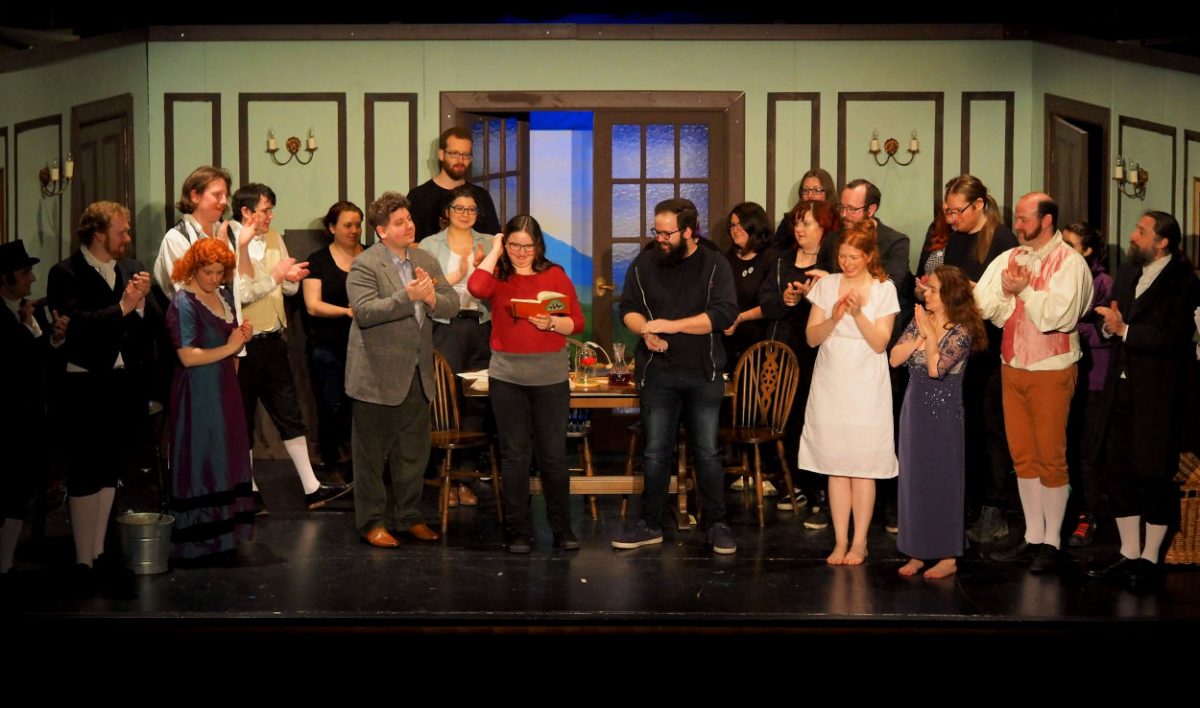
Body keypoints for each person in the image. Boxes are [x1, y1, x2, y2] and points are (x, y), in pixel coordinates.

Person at [974, 193, 1093, 573]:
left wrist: (1022, 291)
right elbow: (985, 304)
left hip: (1052, 368)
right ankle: (1033, 536)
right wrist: (1009, 293)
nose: (1019, 225)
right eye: (1019, 218)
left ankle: (1053, 542)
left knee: (1050, 457)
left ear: (1047, 220)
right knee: (1023, 456)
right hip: (1013, 365)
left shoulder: (1070, 263)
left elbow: (1059, 315)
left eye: (1025, 219)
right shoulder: (1013, 258)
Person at [613, 198, 739, 554]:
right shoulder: (645, 263)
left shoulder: (714, 265)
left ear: (689, 231)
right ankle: (650, 524)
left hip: (703, 373)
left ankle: (716, 524)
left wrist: (673, 325)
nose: (660, 239)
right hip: (658, 374)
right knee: (654, 453)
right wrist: (645, 332)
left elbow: (724, 314)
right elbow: (630, 309)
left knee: (707, 453)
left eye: (667, 233)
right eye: (657, 231)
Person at [1087, 211, 1200, 590]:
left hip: (1157, 396)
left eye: (1141, 231)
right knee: (1116, 471)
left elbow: (1174, 338)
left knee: (1152, 475)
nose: (1133, 236)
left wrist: (1126, 330)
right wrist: (1109, 325)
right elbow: (1112, 321)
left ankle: (1151, 558)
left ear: (1162, 241)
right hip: (1120, 390)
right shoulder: (1128, 272)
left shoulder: (1184, 282)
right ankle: (1129, 552)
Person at [47, 201, 156, 586]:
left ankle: (99, 552)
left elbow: (150, 324)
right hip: (84, 383)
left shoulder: (130, 267)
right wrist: (124, 306)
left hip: (120, 382)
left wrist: (141, 306)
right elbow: (75, 326)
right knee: (84, 469)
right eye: (121, 231)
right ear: (98, 233)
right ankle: (82, 560)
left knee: (110, 468)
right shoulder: (66, 273)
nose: (127, 238)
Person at [468, 215, 585, 553]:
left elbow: (576, 322)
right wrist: (493, 250)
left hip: (549, 377)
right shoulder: (498, 277)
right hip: (508, 377)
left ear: (538, 246)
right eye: (514, 245)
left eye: (527, 245)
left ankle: (562, 529)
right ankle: (519, 531)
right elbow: (476, 287)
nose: (520, 252)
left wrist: (552, 323)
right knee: (515, 457)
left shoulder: (555, 275)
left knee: (553, 456)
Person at [346, 192, 457, 547]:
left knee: (414, 453)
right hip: (376, 375)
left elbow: (452, 304)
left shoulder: (425, 257)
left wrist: (430, 298)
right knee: (371, 457)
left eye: (409, 219)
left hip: (417, 372)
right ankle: (372, 522)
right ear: (381, 231)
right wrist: (406, 297)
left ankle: (409, 517)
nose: (409, 225)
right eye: (399, 222)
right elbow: (364, 313)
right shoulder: (365, 264)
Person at [916, 175, 1019, 545]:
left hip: (989, 346)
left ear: (978, 206)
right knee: (969, 425)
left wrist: (970, 290)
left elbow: (1001, 299)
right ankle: (971, 502)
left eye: (956, 211)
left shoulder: (1003, 240)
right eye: (947, 211)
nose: (951, 218)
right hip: (959, 345)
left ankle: (996, 508)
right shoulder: (956, 239)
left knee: (992, 427)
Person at [798, 221, 899, 565]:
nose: (847, 263)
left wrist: (857, 315)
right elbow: (812, 338)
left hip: (867, 381)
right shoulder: (827, 285)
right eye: (842, 256)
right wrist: (835, 316)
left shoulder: (884, 288)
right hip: (832, 378)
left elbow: (880, 343)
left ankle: (860, 542)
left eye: (854, 257)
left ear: (869, 256)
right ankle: (840, 541)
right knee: (835, 463)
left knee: (863, 464)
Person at [890, 265, 986, 579]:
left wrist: (928, 337)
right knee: (914, 480)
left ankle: (947, 554)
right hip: (914, 410)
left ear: (949, 295)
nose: (926, 293)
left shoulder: (962, 330)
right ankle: (917, 549)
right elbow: (895, 357)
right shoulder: (920, 323)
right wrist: (922, 337)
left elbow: (936, 368)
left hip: (944, 414)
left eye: (932, 290)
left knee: (943, 481)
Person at [166, 238, 255, 559]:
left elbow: (227, 342)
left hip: (224, 386)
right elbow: (188, 356)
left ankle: (224, 533)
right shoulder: (184, 304)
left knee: (225, 453)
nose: (215, 278)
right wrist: (231, 347)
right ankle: (199, 538)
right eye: (208, 271)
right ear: (193, 267)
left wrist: (239, 340)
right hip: (198, 390)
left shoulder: (222, 295)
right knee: (204, 454)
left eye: (220, 272)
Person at [759, 199, 837, 521]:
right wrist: (787, 298)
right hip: (785, 348)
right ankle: (792, 482)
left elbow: (841, 308)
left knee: (816, 419)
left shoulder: (832, 263)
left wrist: (815, 294)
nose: (799, 229)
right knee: (787, 417)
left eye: (807, 223)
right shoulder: (781, 261)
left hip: (819, 352)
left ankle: (819, 488)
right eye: (797, 223)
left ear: (823, 228)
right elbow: (765, 300)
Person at [419, 185, 493, 507]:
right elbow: (424, 289)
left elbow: (499, 286)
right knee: (443, 402)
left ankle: (466, 479)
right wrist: (458, 274)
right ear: (447, 211)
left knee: (476, 400)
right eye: (459, 208)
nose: (465, 214)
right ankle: (444, 481)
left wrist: (484, 267)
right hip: (444, 328)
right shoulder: (428, 245)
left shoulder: (488, 243)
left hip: (480, 326)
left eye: (471, 209)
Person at [0, 241, 67, 575]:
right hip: (10, 419)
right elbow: (21, 359)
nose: (32, 278)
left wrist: (47, 335)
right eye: (25, 272)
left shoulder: (22, 311)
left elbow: (39, 358)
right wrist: (36, 332)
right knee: (10, 494)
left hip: (26, 418)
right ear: (5, 278)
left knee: (18, 493)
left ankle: (6, 561)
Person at [302, 201, 364, 482]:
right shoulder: (318, 260)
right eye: (347, 225)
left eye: (358, 224)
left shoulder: (371, 256)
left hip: (366, 346)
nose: (354, 230)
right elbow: (313, 305)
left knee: (361, 406)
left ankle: (359, 462)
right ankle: (332, 462)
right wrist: (348, 311)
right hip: (329, 345)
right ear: (332, 228)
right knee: (333, 404)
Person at [1061, 222, 1112, 547]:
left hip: (1094, 377)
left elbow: (1103, 332)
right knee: (1065, 449)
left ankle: (1090, 516)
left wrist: (1069, 324)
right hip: (1065, 372)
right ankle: (1067, 514)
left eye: (1070, 244)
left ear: (1087, 250)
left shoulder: (1102, 282)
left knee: (1088, 452)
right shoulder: (1061, 276)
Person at [408, 126, 502, 241]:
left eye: (466, 155)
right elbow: (409, 246)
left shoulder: (482, 196)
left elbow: (494, 242)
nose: (460, 161)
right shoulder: (418, 197)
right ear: (442, 155)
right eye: (454, 154)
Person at [771, 167, 837, 251]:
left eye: (817, 190)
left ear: (828, 192)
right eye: (806, 190)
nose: (810, 195)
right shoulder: (789, 220)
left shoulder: (836, 221)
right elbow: (775, 251)